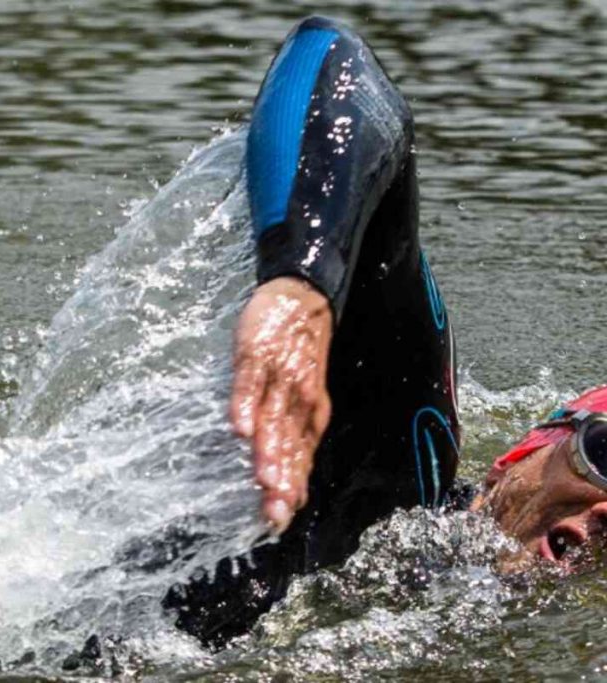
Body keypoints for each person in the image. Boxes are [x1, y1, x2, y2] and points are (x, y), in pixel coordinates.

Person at [162, 15, 607, 648]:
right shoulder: (392, 466)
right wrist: (301, 286)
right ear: (525, 450)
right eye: (606, 458)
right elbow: (333, 58)